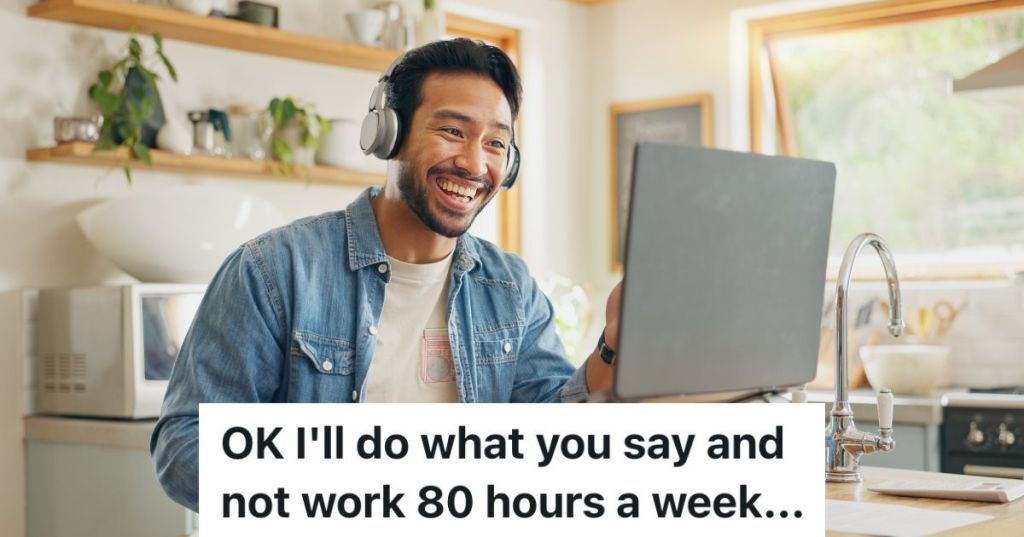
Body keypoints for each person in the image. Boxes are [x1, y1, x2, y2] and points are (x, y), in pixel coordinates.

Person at [150, 38, 623, 512]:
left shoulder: (511, 288)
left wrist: (613, 345)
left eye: (496, 143)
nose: (475, 164)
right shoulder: (274, 269)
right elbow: (185, 446)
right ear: (388, 135)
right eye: (454, 132)